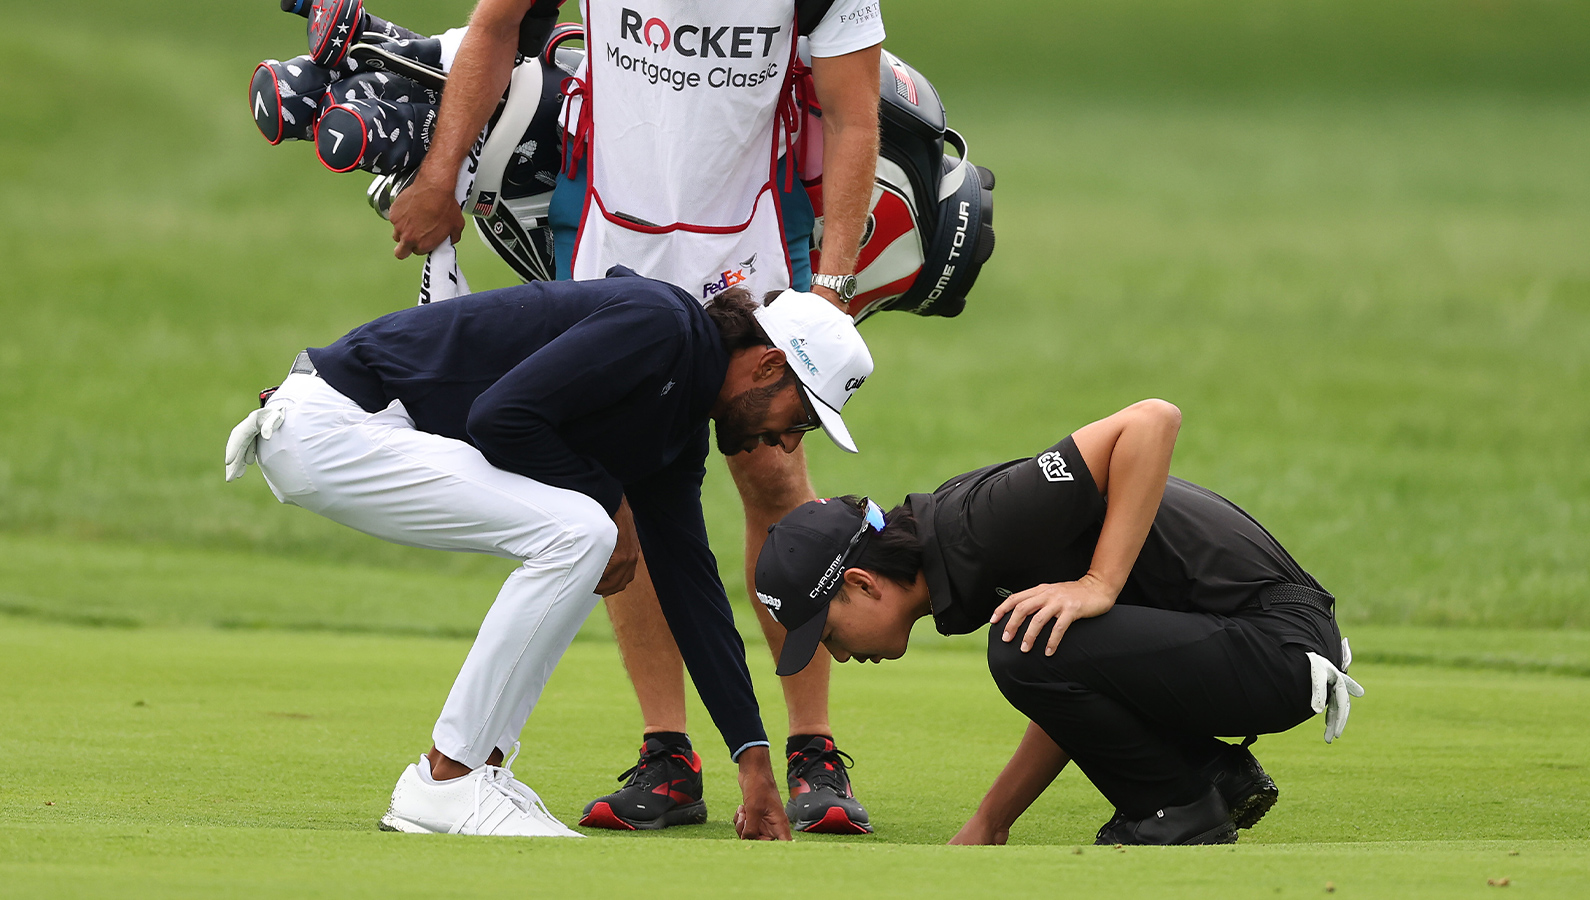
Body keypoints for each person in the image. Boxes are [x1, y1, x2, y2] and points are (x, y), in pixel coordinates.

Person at [387, 0, 888, 833]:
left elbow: (852, 111)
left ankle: (811, 753)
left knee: (772, 470)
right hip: (613, 234)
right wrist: (440, 178)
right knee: (618, 473)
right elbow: (494, 26)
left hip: (753, 236)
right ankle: (669, 754)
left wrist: (829, 295)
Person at [222, 268, 873, 838]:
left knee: (581, 531)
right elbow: (500, 416)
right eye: (802, 417)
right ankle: (447, 778)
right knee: (582, 531)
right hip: (334, 425)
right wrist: (613, 505)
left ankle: (478, 770)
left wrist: (751, 759)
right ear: (766, 365)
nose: (788, 442)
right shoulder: (662, 326)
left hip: (357, 430)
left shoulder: (676, 421)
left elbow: (691, 588)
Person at [753, 400, 1367, 845]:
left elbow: (1152, 421)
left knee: (1020, 647)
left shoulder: (979, 523)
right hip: (1260, 647)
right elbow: (1078, 683)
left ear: (861, 583)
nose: (835, 653)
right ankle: (1210, 776)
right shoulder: (956, 547)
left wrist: (1100, 584)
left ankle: (1179, 805)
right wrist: (992, 821)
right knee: (1032, 642)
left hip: (1277, 649)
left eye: (827, 631)